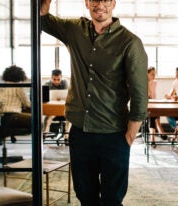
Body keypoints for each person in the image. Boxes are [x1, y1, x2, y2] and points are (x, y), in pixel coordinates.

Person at [41, 0, 148, 205]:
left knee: (112, 199)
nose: (100, 5)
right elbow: (43, 20)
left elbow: (140, 94)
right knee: (85, 197)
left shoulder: (130, 42)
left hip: (114, 135)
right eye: (95, 0)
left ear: (114, 3)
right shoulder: (74, 30)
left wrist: (130, 136)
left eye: (106, 0)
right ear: (87, 3)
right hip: (80, 133)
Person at [0, 65, 31, 143]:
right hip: (14, 116)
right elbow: (27, 104)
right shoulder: (18, 86)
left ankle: (7, 132)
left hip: (4, 117)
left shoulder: (2, 86)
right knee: (37, 120)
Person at [43, 69, 69, 134]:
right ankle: (45, 134)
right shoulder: (46, 84)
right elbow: (44, 99)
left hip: (63, 108)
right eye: (54, 79)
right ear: (51, 78)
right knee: (48, 118)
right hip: (52, 108)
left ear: (61, 78)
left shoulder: (65, 83)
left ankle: (67, 135)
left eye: (58, 79)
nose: (56, 81)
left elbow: (68, 96)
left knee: (70, 117)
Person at [147, 67, 166, 147]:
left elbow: (153, 95)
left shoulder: (154, 83)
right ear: (147, 74)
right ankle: (160, 131)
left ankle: (153, 139)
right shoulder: (144, 82)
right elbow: (148, 95)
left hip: (152, 103)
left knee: (155, 114)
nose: (154, 76)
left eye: (155, 74)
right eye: (152, 74)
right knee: (153, 115)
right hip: (145, 105)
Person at [164, 64, 178, 142]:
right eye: (176, 75)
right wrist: (168, 96)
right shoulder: (175, 82)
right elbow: (170, 95)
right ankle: (177, 130)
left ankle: (177, 133)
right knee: (167, 113)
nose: (176, 77)